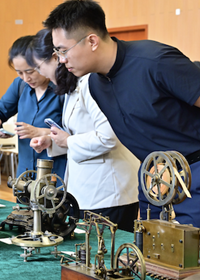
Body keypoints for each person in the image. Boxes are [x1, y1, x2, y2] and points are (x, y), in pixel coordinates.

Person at [43, 0, 200, 239]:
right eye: (57, 52)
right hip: (153, 176)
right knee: (155, 253)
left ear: (92, 41)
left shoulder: (156, 61)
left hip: (199, 173)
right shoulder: (95, 84)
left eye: (63, 50)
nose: (61, 59)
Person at [28, 29, 139, 232]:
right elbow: (79, 133)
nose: (40, 73)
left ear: (55, 58)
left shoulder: (91, 83)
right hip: (88, 189)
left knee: (105, 249)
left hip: (109, 192)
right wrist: (53, 141)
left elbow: (109, 137)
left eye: (39, 67)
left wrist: (67, 141)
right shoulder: (73, 85)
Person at [0, 35, 67, 178]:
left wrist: (40, 132)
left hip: (56, 175)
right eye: (19, 73)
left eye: (30, 71)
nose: (26, 78)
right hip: (25, 173)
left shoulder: (63, 88)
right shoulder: (20, 85)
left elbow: (74, 135)